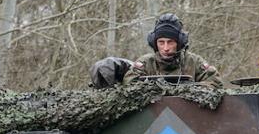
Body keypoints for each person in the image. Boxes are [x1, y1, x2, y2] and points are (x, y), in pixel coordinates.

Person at [90, 13, 222, 89]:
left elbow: (214, 81)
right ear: (154, 43)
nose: (165, 48)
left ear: (180, 42)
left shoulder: (193, 62)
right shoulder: (145, 62)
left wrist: (188, 91)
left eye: (170, 42)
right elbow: (130, 84)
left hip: (189, 118)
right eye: (161, 42)